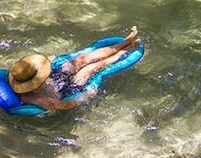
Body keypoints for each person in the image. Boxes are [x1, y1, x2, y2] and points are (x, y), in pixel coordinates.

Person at [8, 27, 142, 111]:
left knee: (82, 59)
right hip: (64, 89)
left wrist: (51, 60)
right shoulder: (37, 99)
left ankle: (124, 42)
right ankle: (121, 53)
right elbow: (65, 105)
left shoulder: (19, 74)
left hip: (54, 77)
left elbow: (34, 67)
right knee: (90, 69)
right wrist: (86, 95)